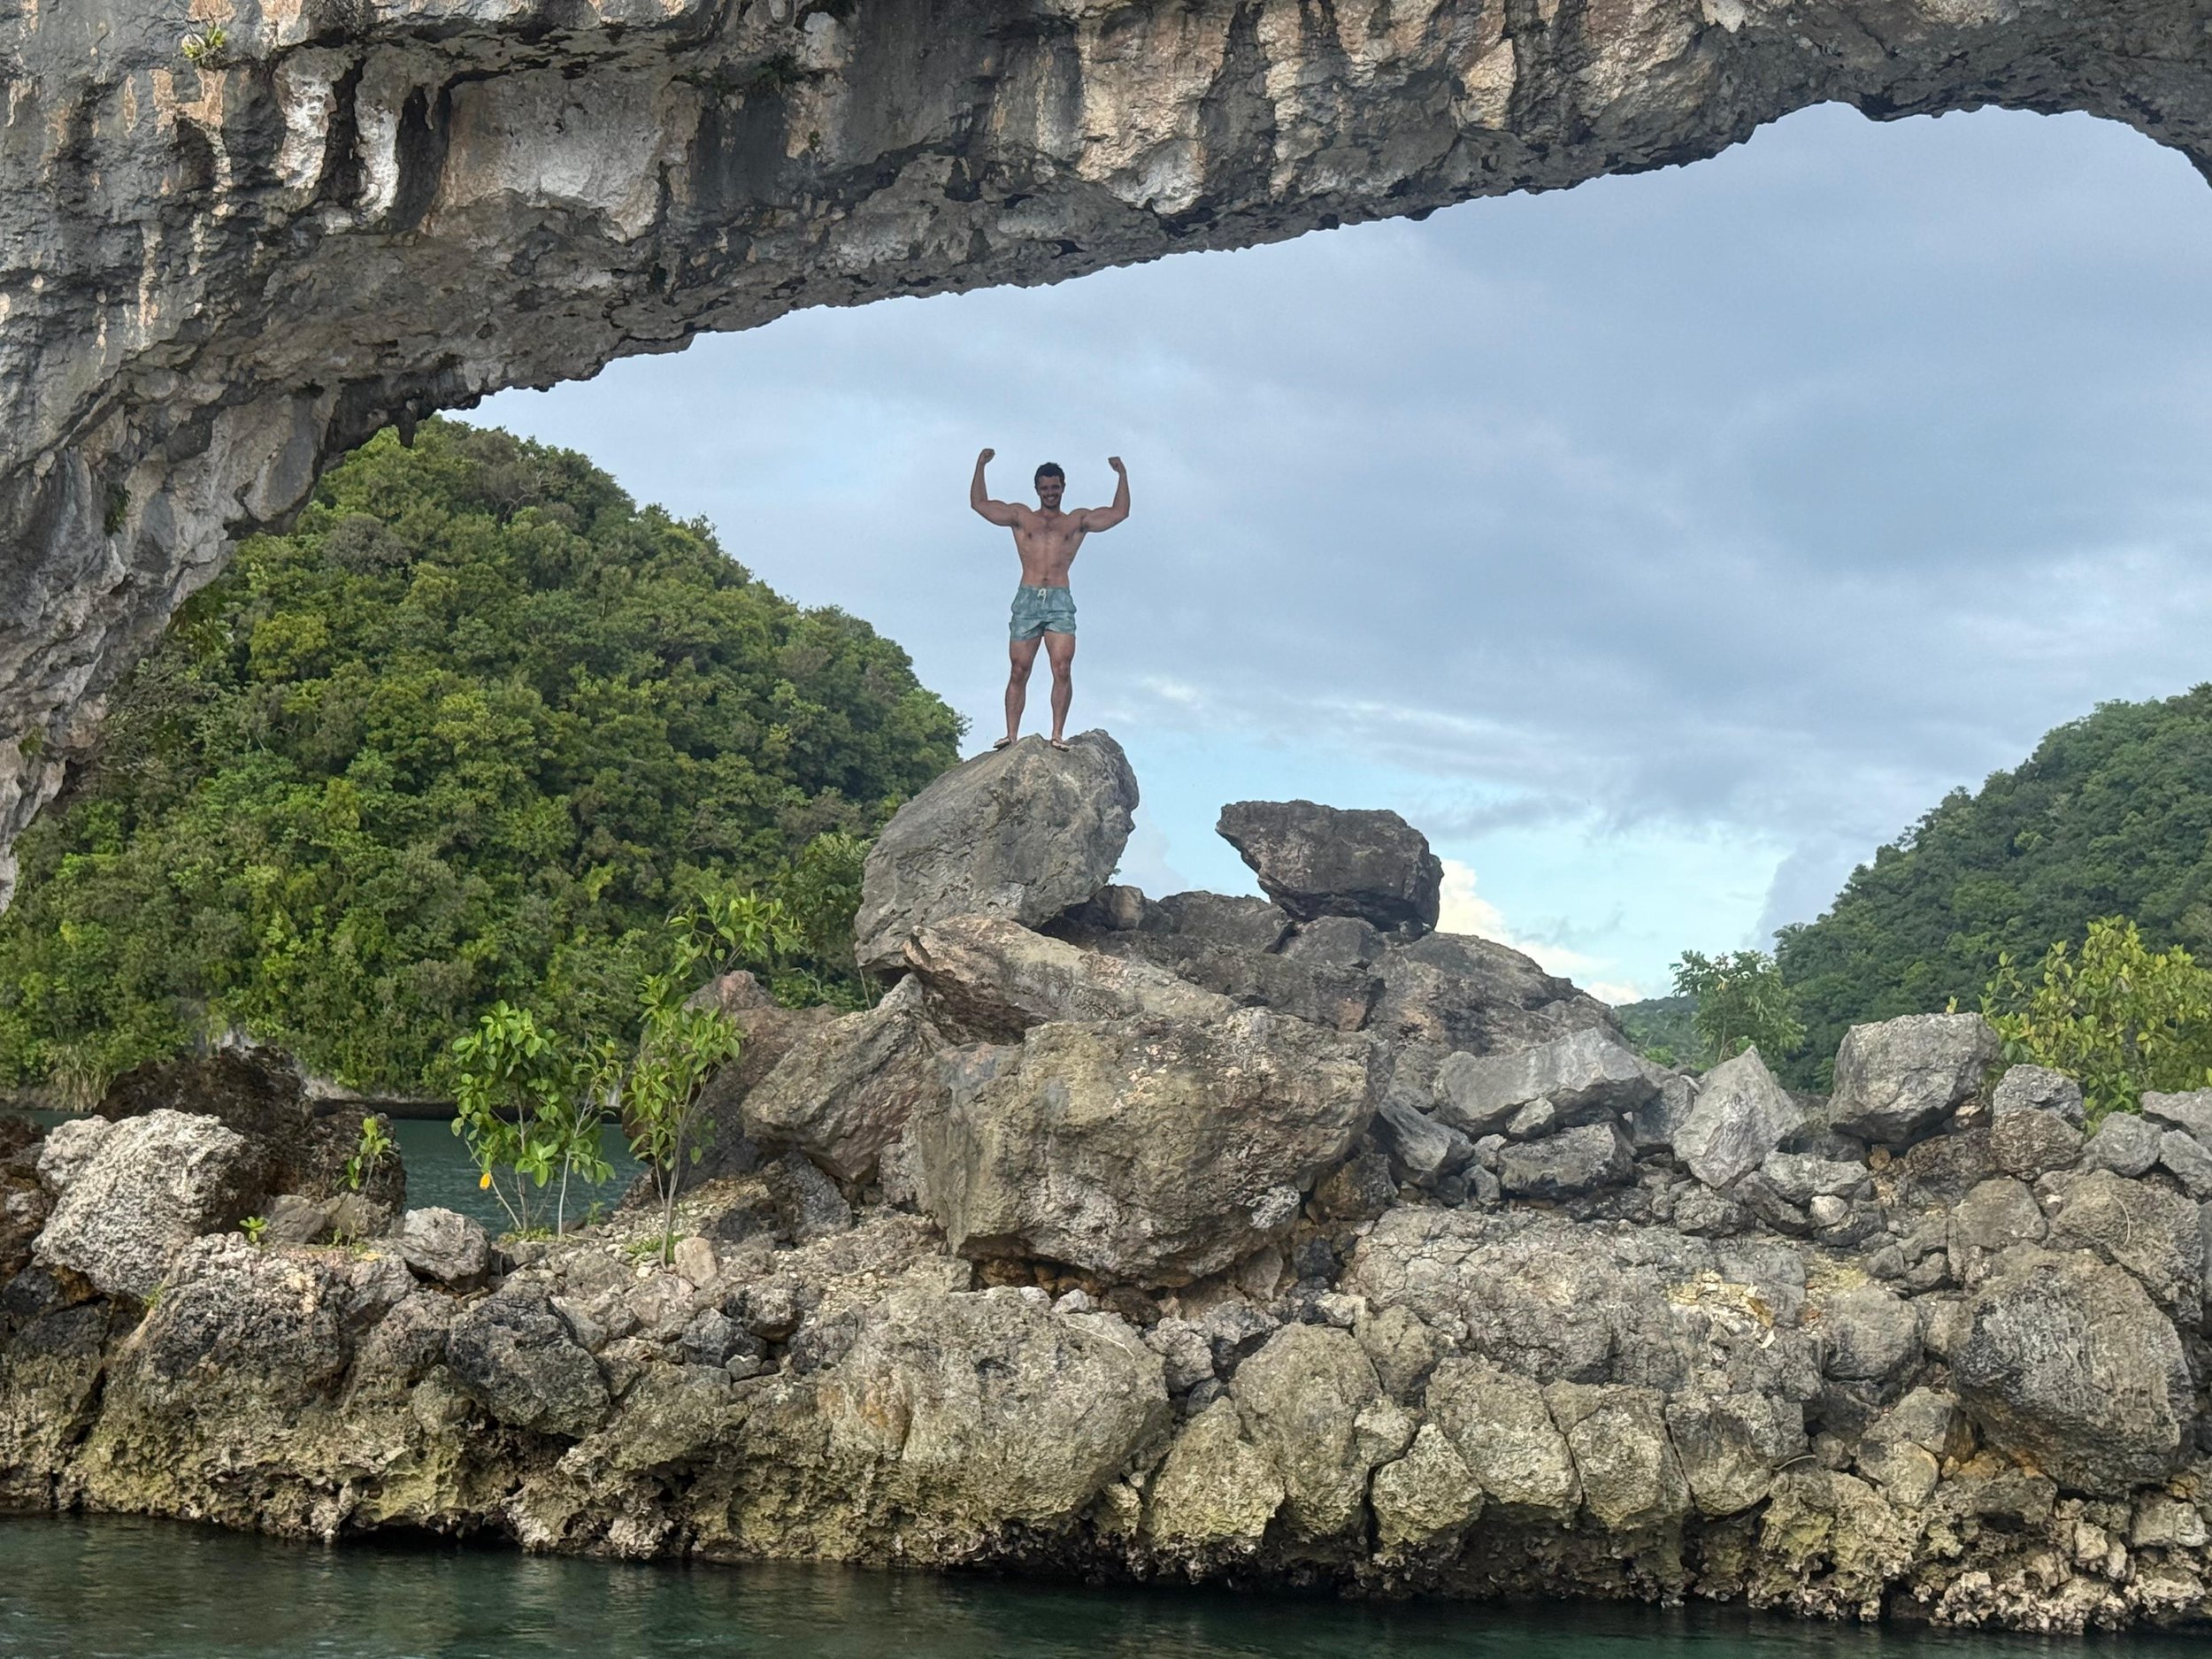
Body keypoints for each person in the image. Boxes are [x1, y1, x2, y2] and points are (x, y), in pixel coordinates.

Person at [969, 449, 1130, 750]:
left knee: (1062, 668)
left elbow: (1119, 513)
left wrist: (1122, 475)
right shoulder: (1021, 517)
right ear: (1037, 490)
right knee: (1019, 669)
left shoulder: (1075, 521)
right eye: (1045, 488)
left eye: (1055, 487)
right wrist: (981, 465)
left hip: (1059, 599)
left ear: (1063, 487)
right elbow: (980, 504)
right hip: (1028, 598)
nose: (1050, 493)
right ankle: (1011, 735)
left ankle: (1057, 734)